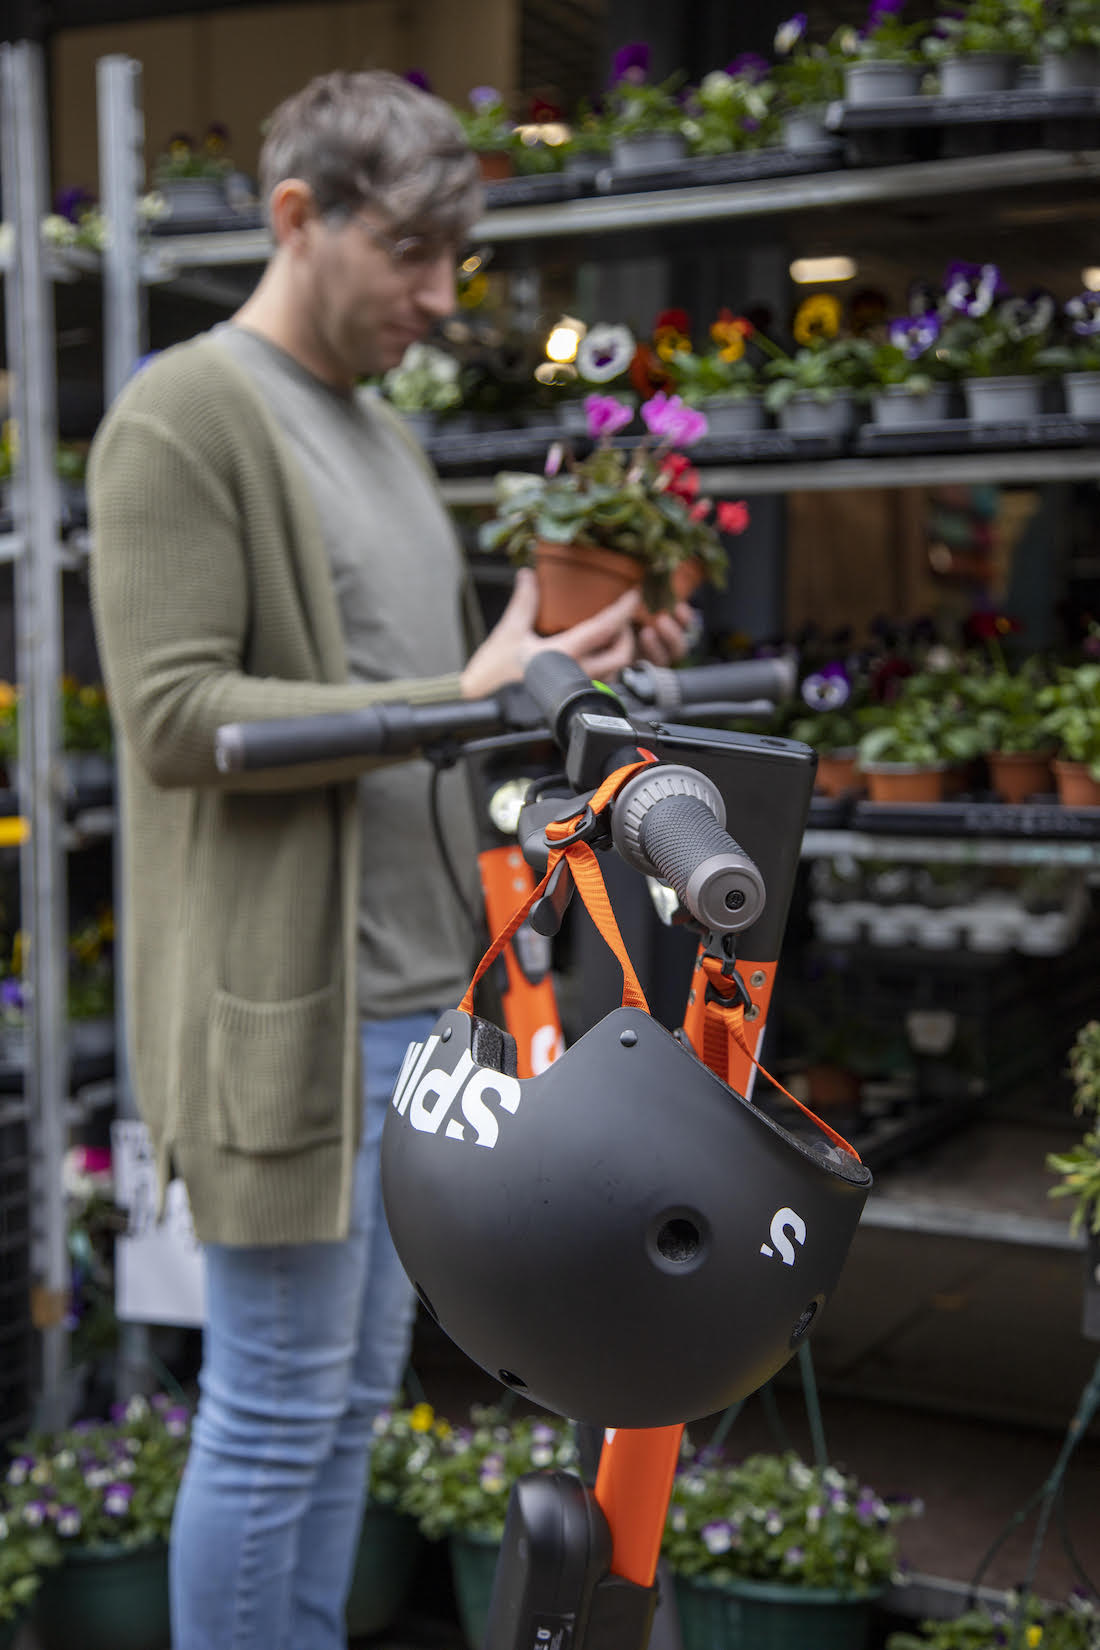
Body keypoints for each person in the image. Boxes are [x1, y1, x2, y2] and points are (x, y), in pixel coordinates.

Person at [88, 68, 689, 1650]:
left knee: (352, 1396)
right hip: (296, 1012)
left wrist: (572, 658)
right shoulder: (185, 414)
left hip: (427, 1002)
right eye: (410, 251)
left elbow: (449, 707)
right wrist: (464, 691)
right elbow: (173, 716)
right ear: (299, 215)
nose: (439, 296)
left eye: (453, 259)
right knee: (277, 1402)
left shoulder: (383, 437)